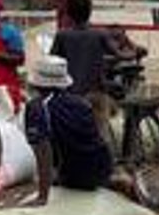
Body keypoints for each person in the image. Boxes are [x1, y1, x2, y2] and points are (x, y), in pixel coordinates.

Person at [25, 55, 124, 205]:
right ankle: (109, 180)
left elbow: (43, 152)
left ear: (36, 83)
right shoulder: (81, 102)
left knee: (50, 176)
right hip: (103, 166)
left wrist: (42, 196)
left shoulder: (36, 107)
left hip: (75, 174)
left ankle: (80, 181)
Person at [50, 0, 137, 129]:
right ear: (90, 13)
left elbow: (52, 61)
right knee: (99, 132)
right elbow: (120, 55)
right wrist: (134, 52)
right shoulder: (99, 34)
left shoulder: (62, 36)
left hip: (69, 94)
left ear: (69, 14)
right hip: (95, 94)